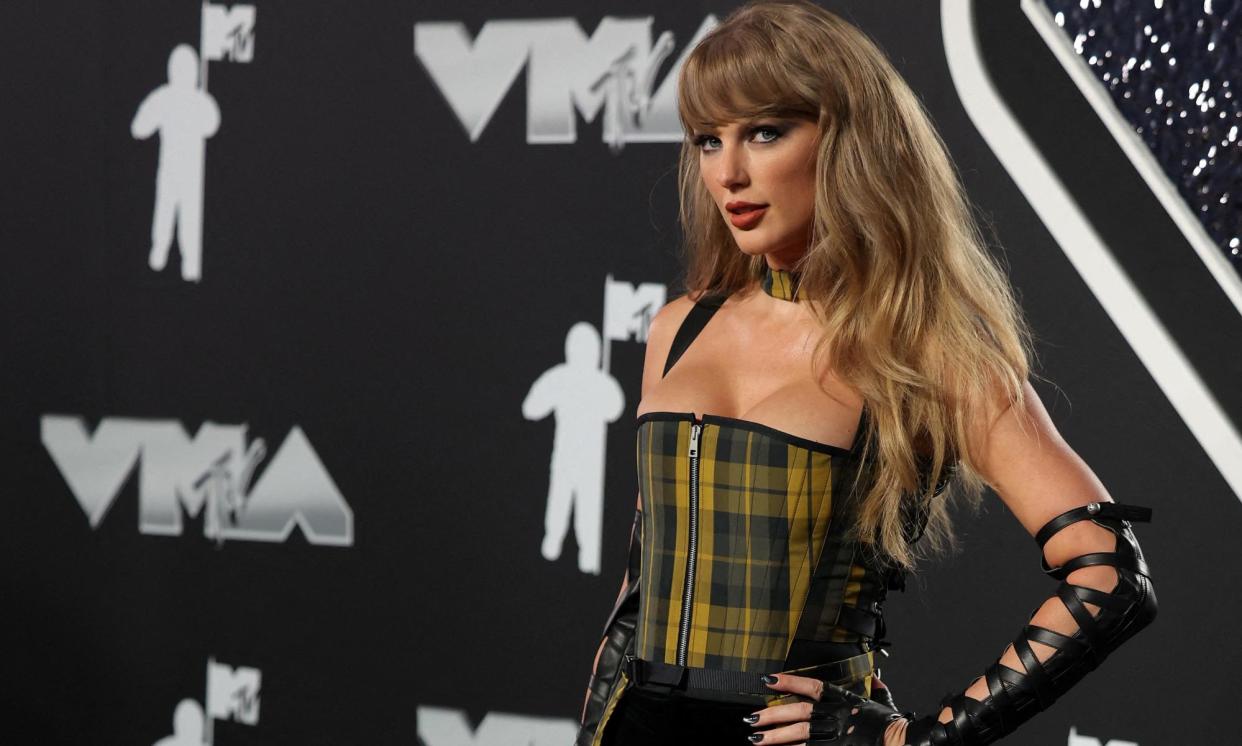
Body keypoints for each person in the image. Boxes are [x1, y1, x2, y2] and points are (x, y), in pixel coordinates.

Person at [576, 2, 1157, 745]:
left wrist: (916, 738)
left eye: (764, 132)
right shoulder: (679, 326)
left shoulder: (925, 348)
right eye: (706, 140)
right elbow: (638, 594)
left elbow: (1109, 578)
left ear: (847, 141)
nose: (729, 173)